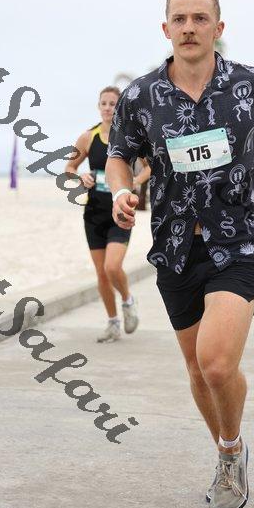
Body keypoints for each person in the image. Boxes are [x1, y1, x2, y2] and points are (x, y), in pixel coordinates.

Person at [105, 0, 254, 508]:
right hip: (176, 246)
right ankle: (225, 450)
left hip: (242, 239)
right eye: (180, 19)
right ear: (166, 29)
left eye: (200, 18)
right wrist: (122, 192)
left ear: (218, 29)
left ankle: (231, 449)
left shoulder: (251, 83)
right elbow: (118, 155)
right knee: (197, 372)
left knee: (216, 364)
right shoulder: (142, 96)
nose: (190, 27)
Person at [65, 86, 151, 342]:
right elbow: (69, 167)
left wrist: (135, 181)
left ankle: (128, 300)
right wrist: (80, 177)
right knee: (101, 273)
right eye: (103, 103)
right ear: (98, 106)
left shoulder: (129, 136)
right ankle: (113, 322)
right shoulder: (88, 137)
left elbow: (149, 167)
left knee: (112, 267)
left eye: (113, 104)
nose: (107, 108)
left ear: (119, 107)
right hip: (93, 213)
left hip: (121, 211)